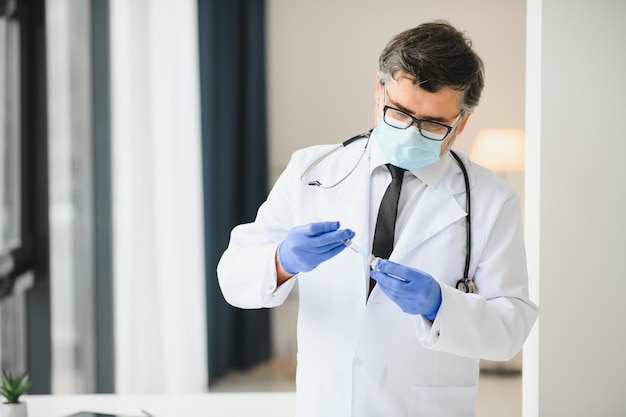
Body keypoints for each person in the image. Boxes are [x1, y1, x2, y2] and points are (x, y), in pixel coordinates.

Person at [217, 20, 538, 417]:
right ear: (378, 89)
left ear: (461, 123)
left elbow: (511, 329)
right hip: (327, 403)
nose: (410, 132)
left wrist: (441, 304)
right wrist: (282, 260)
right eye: (399, 112)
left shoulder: (492, 200)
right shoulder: (311, 170)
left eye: (433, 124)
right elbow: (233, 276)